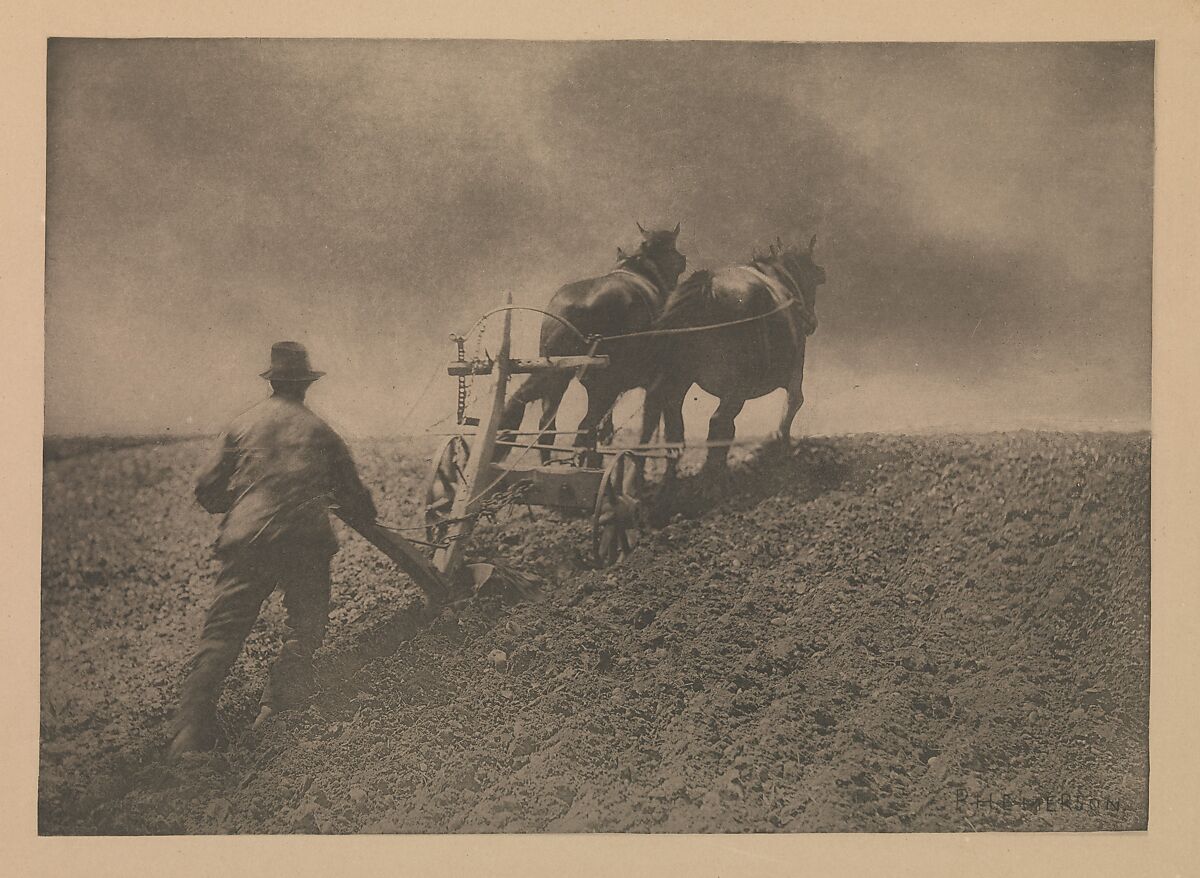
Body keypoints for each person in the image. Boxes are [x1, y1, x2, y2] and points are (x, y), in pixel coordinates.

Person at [168, 341, 378, 759]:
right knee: (303, 628)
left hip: (247, 541)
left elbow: (206, 488)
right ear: (304, 385)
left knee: (222, 634)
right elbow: (357, 501)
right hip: (304, 542)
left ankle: (187, 738)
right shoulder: (322, 432)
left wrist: (242, 504)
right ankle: (275, 712)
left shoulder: (242, 424)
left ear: (273, 381)